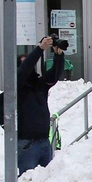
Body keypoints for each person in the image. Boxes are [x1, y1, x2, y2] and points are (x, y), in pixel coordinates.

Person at [17, 34, 66, 174]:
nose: (30, 66)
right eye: (24, 63)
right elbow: (23, 70)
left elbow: (54, 76)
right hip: (27, 145)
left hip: (44, 142)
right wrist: (40, 49)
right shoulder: (17, 86)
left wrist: (58, 56)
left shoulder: (38, 85)